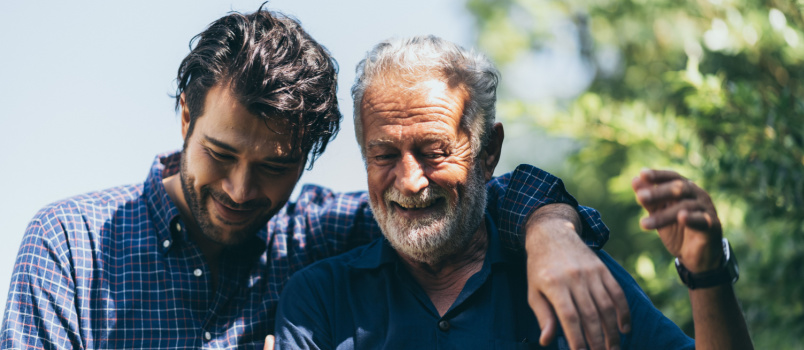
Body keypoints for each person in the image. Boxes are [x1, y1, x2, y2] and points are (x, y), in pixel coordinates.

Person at [1, 7, 628, 350]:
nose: (241, 190)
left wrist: (552, 232)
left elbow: (464, 195)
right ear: (186, 117)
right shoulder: (70, 247)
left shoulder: (320, 236)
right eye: (221, 154)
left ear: (308, 158)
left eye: (274, 167)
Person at [273, 36, 753, 350]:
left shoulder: (569, 270)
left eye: (434, 151)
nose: (410, 180)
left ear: (488, 152)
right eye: (383, 155)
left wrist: (707, 272)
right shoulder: (319, 300)